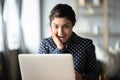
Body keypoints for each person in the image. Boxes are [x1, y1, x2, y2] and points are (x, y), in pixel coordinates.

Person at [38, 3, 98, 80]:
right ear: (50, 26)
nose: (60, 32)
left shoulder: (87, 45)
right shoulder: (45, 44)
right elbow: (41, 74)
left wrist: (81, 77)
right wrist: (59, 48)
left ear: (73, 24)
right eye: (56, 26)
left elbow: (95, 76)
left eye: (66, 26)